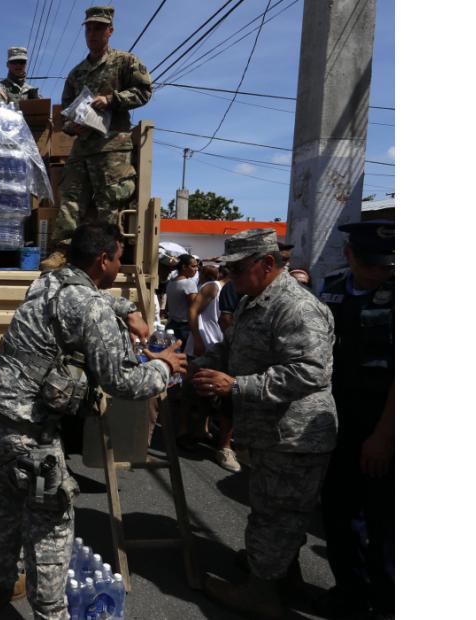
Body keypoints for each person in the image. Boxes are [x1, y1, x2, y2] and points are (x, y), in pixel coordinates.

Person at [0, 222, 187, 619]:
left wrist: (127, 310)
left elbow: (82, 297)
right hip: (30, 436)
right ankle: (51, 613)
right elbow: (123, 381)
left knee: (5, 504)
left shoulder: (47, 282)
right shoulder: (89, 308)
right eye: (119, 259)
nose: (120, 267)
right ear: (103, 260)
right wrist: (164, 367)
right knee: (50, 525)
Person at [189, 228, 337, 619]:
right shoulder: (252, 301)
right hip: (271, 432)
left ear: (267, 263)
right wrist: (192, 367)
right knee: (274, 512)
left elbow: (310, 371)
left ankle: (261, 594)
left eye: (237, 269)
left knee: (276, 516)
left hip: (295, 435)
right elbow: (230, 349)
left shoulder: (295, 307)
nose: (230, 277)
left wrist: (237, 386)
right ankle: (282, 576)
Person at [315, 220, 394, 620]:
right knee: (338, 513)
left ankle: (387, 604)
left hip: (383, 420)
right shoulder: (331, 286)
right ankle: (351, 594)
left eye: (386, 264)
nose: (380, 271)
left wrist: (383, 436)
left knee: (384, 524)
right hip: (336, 419)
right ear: (349, 255)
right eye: (370, 263)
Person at [41, 6, 152, 270]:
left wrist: (112, 99)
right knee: (70, 197)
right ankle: (63, 250)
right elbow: (66, 111)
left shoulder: (125, 61)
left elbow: (144, 91)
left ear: (110, 31)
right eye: (89, 28)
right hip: (83, 146)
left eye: (99, 28)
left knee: (109, 203)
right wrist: (72, 127)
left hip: (113, 146)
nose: (92, 33)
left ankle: (106, 255)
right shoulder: (76, 73)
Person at [186, 264, 239, 472]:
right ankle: (193, 431)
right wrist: (198, 338)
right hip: (207, 347)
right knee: (199, 392)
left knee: (223, 397)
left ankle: (214, 437)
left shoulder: (239, 292)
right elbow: (193, 310)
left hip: (222, 347)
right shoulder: (213, 287)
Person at [164, 253, 199, 344]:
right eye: (193, 266)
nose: (196, 269)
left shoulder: (171, 283)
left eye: (197, 266)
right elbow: (194, 308)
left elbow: (167, 307)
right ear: (184, 267)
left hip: (171, 325)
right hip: (184, 328)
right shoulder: (189, 283)